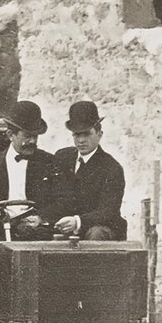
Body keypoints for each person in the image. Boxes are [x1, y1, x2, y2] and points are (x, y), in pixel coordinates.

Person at [51, 101, 127, 240]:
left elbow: (108, 212)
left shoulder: (112, 168)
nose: (81, 140)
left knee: (96, 233)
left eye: (86, 134)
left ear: (99, 134)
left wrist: (77, 221)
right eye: (76, 135)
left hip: (98, 227)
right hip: (67, 227)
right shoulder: (62, 157)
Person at [0, 100, 65, 215]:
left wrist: (41, 217)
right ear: (10, 135)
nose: (33, 141)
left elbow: (62, 201)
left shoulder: (49, 162)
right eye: (27, 136)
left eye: (35, 136)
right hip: (1, 227)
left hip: (36, 228)